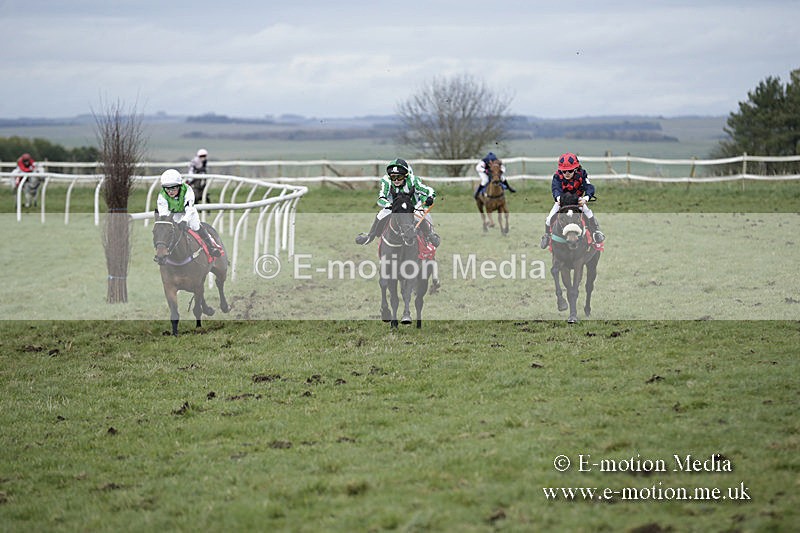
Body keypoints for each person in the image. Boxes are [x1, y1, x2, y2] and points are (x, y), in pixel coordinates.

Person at [355, 158, 440, 247]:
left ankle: (430, 235)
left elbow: (429, 190)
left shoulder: (413, 180)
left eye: (399, 177)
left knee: (420, 215)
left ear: (406, 175)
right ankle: (370, 236)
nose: (396, 180)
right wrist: (389, 205)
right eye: (393, 177)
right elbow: (381, 199)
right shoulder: (386, 181)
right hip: (393, 206)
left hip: (412, 206)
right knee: (380, 215)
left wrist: (430, 197)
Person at [540, 152, 604, 249]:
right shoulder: (557, 176)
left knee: (588, 213)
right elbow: (555, 189)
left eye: (569, 171)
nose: (566, 174)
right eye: (563, 171)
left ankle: (595, 233)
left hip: (577, 200)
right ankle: (547, 236)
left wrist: (585, 199)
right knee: (549, 219)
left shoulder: (582, 174)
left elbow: (589, 187)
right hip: (562, 200)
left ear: (575, 169)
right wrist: (558, 198)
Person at [157, 168, 221, 257]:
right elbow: (164, 213)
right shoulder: (162, 195)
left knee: (195, 226)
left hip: (188, 212)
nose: (170, 191)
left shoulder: (187, 189)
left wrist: (185, 220)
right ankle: (163, 252)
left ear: (179, 186)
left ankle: (211, 247)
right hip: (174, 214)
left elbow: (190, 208)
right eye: (167, 189)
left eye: (173, 188)